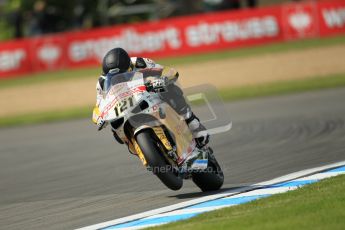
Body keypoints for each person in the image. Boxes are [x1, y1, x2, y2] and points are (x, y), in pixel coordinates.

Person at [92, 47, 210, 151]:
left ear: (129, 67)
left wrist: (162, 80)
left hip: (148, 95)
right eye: (114, 78)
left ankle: (191, 121)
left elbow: (168, 71)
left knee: (170, 89)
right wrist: (99, 116)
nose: (119, 79)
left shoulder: (140, 63)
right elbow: (100, 104)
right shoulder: (102, 82)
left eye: (122, 75)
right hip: (125, 107)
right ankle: (143, 151)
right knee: (115, 132)